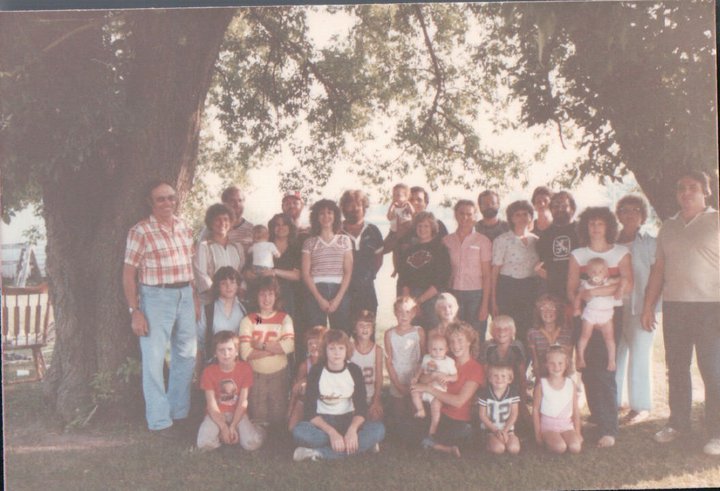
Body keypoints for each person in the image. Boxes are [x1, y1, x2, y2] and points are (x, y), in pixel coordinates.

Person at [641, 171, 720, 456]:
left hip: (711, 308)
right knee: (676, 368)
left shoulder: (716, 220)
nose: (686, 192)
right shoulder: (668, 227)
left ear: (706, 192)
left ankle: (717, 432)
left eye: (693, 187)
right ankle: (678, 424)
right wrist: (648, 306)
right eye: (681, 188)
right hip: (675, 307)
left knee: (712, 370)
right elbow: (658, 270)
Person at [123, 180, 196, 434]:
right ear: (150, 203)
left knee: (186, 355)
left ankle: (178, 412)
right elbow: (128, 274)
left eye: (170, 197)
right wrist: (135, 311)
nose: (167, 203)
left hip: (185, 295)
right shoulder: (140, 231)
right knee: (153, 360)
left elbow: (189, 266)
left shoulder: (185, 227)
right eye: (161, 199)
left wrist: (194, 298)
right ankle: (159, 420)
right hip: (156, 297)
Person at [567, 206, 633, 448]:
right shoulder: (578, 254)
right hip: (586, 316)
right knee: (587, 368)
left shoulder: (621, 252)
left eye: (600, 223)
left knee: (606, 368)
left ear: (608, 227)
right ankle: (597, 417)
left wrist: (594, 293)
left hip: (610, 317)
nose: (595, 227)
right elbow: (572, 289)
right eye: (591, 223)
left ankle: (609, 428)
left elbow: (628, 285)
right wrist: (587, 303)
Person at [292, 329, 386, 461]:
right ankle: (359, 445)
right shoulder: (316, 371)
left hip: (349, 419)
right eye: (332, 349)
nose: (337, 353)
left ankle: (318, 453)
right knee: (299, 432)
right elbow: (310, 412)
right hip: (323, 422)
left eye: (341, 348)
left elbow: (361, 409)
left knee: (378, 429)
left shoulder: (354, 370)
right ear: (325, 350)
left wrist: (352, 430)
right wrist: (332, 433)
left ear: (347, 350)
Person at [614, 194, 659, 425]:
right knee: (615, 354)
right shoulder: (611, 241)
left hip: (641, 306)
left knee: (639, 354)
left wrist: (650, 308)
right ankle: (614, 401)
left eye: (635, 210)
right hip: (613, 307)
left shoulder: (650, 242)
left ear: (643, 215)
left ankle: (640, 406)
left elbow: (658, 276)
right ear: (619, 215)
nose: (630, 214)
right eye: (625, 210)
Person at [411, 321, 485, 458]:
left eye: (460, 340)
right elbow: (422, 380)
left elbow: (458, 401)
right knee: (408, 426)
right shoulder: (445, 359)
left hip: (457, 418)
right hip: (437, 412)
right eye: (452, 341)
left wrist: (429, 389)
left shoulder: (475, 368)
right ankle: (440, 446)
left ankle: (435, 443)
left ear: (469, 341)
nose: (455, 345)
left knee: (451, 432)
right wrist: (432, 376)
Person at [238, 277, 295, 427]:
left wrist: (261, 345)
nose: (267, 299)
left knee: (278, 419)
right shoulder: (251, 320)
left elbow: (289, 346)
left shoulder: (284, 318)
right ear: (256, 296)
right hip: (256, 375)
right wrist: (275, 349)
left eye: (270, 294)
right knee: (258, 419)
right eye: (262, 294)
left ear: (276, 296)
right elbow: (245, 353)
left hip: (279, 374)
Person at [196, 331, 265, 451]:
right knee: (204, 443)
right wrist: (223, 427)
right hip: (217, 412)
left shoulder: (245, 368)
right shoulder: (208, 371)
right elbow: (211, 405)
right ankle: (223, 435)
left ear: (237, 351)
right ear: (215, 353)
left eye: (230, 349)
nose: (226, 354)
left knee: (252, 443)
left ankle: (258, 429)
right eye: (221, 350)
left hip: (237, 412)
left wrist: (233, 425)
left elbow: (243, 402)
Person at [491, 199, 539, 345]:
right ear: (511, 218)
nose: (522, 217)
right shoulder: (502, 240)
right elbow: (495, 271)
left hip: (530, 289)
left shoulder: (536, 240)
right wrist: (493, 300)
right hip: (508, 289)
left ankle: (525, 359)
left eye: (525, 214)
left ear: (531, 217)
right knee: (506, 330)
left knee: (528, 330)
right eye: (517, 215)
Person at [301, 199, 354, 332]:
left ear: (335, 216)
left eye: (329, 212)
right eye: (322, 213)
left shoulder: (344, 240)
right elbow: (306, 273)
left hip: (339, 290)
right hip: (316, 290)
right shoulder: (309, 242)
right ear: (316, 217)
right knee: (316, 334)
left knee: (341, 333)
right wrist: (319, 298)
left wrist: (338, 299)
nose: (326, 216)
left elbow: (348, 272)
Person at [244, 213, 302, 333]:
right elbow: (246, 271)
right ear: (272, 228)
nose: (280, 227)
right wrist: (251, 274)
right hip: (262, 294)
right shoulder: (261, 244)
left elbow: (297, 275)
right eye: (277, 225)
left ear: (290, 227)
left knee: (285, 329)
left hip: (286, 295)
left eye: (284, 224)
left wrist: (274, 272)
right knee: (261, 327)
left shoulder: (295, 247)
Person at [443, 199, 491, 341]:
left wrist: (484, 305)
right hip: (453, 293)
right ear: (455, 215)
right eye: (461, 213)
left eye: (469, 214)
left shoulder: (483, 241)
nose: (465, 217)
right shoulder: (446, 241)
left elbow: (487, 275)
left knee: (475, 336)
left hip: (476, 295)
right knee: (454, 335)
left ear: (475, 216)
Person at [396, 212, 451, 329]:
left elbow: (441, 280)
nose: (422, 229)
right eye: (419, 226)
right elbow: (403, 278)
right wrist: (408, 301)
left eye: (426, 226)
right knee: (412, 332)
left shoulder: (440, 249)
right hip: (411, 298)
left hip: (432, 297)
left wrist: (419, 301)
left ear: (432, 228)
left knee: (433, 333)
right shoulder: (409, 250)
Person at [340, 190, 384, 318]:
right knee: (342, 328)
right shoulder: (337, 231)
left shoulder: (373, 230)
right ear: (343, 208)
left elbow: (379, 259)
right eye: (350, 205)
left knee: (367, 327)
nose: (354, 208)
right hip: (342, 291)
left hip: (367, 290)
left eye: (358, 205)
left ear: (364, 207)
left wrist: (367, 276)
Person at [573, 257, 622, 371]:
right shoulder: (585, 284)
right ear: (588, 272)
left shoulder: (608, 282)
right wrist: (576, 308)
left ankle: (612, 360)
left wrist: (619, 286)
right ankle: (580, 357)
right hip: (590, 313)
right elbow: (578, 296)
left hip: (606, 315)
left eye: (600, 271)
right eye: (593, 271)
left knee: (609, 338)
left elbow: (622, 280)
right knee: (585, 336)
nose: (597, 274)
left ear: (606, 273)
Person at [532, 346, 582, 454]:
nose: (556, 367)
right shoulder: (542, 385)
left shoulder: (571, 384)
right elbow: (535, 410)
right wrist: (537, 434)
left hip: (566, 425)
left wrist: (578, 432)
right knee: (560, 447)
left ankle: (563, 438)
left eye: (560, 363)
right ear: (546, 364)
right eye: (552, 363)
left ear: (566, 364)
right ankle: (551, 440)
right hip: (548, 427)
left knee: (575, 447)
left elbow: (575, 409)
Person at [194, 203, 245, 306]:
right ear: (210, 223)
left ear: (231, 222)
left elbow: (241, 272)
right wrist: (219, 293)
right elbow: (201, 275)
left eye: (226, 219)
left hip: (234, 300)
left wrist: (241, 289)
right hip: (210, 301)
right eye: (218, 219)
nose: (222, 223)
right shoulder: (203, 247)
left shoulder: (237, 247)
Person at [478, 315, 528, 421]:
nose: (502, 332)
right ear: (492, 331)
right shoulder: (488, 346)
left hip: (512, 383)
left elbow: (522, 374)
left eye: (506, 329)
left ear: (512, 331)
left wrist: (523, 402)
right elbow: (484, 373)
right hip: (494, 383)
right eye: (498, 329)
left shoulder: (517, 346)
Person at [385, 296, 426, 418]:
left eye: (408, 312)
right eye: (400, 311)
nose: (404, 315)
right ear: (395, 313)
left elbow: (424, 358)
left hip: (415, 377)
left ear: (413, 313)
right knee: (399, 412)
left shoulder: (419, 332)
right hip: (397, 376)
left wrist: (418, 378)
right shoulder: (389, 334)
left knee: (415, 409)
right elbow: (389, 361)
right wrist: (397, 384)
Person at [196, 267, 247, 364]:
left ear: (238, 285)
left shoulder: (245, 309)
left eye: (232, 282)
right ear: (217, 286)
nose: (228, 286)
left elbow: (258, 323)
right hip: (214, 363)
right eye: (224, 283)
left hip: (240, 363)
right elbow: (200, 340)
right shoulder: (207, 310)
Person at [535, 190, 580, 299]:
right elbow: (543, 266)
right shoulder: (545, 236)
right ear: (551, 210)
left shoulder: (582, 231)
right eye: (555, 206)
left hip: (580, 291)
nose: (559, 209)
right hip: (554, 292)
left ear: (572, 208)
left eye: (564, 206)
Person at [411, 334, 457, 437]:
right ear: (429, 349)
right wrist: (416, 377)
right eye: (434, 349)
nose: (437, 352)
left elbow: (455, 376)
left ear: (446, 349)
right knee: (414, 391)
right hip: (426, 387)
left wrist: (448, 378)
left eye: (441, 349)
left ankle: (433, 428)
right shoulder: (427, 358)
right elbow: (421, 369)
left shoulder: (449, 362)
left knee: (435, 408)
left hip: (439, 392)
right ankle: (420, 410)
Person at [288, 325, 328, 432]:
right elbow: (295, 390)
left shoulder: (329, 362)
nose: (314, 346)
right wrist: (290, 410)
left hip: (325, 401)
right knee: (291, 428)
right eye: (310, 343)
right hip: (306, 400)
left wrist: (306, 380)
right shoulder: (305, 365)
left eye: (318, 343)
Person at [527, 294, 574, 380]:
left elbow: (569, 359)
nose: (547, 312)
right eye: (543, 308)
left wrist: (566, 380)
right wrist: (539, 381)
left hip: (563, 378)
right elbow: (535, 362)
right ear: (538, 312)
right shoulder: (532, 333)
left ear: (558, 311)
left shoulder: (567, 332)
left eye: (552, 308)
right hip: (543, 377)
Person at [478, 363, 521, 455]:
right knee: (499, 449)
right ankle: (487, 442)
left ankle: (509, 439)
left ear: (510, 379)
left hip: (508, 429)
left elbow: (514, 414)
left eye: (503, 376)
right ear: (489, 378)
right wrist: (496, 431)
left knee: (514, 449)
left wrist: (505, 431)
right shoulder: (485, 394)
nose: (499, 379)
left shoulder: (513, 393)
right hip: (490, 430)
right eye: (495, 376)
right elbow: (482, 415)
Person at [349, 310, 384, 421]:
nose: (365, 328)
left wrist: (376, 401)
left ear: (373, 329)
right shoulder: (350, 348)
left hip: (370, 396)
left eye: (368, 325)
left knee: (376, 415)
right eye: (361, 325)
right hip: (352, 397)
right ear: (354, 329)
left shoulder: (377, 350)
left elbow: (379, 378)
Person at [199, 186, 254, 254]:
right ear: (224, 203)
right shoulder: (212, 229)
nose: (237, 204)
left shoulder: (252, 229)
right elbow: (200, 252)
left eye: (240, 200)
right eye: (232, 201)